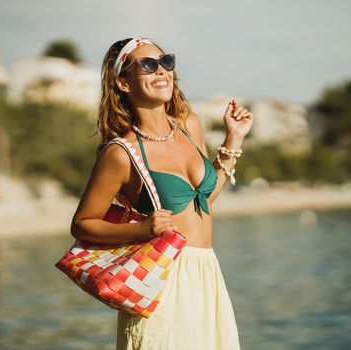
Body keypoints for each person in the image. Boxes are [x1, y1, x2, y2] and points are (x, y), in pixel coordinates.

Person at [70, 37, 253, 349]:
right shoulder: (120, 153)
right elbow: (82, 223)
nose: (162, 71)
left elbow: (203, 202)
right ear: (123, 83)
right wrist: (142, 229)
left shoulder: (188, 125)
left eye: (166, 62)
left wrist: (233, 139)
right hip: (162, 283)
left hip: (207, 273)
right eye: (148, 65)